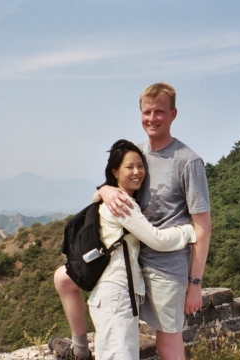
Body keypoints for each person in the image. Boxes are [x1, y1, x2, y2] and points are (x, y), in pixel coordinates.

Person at [50, 82, 211, 360]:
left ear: (173, 114)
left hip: (166, 268)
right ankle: (79, 348)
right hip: (132, 265)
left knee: (167, 345)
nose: (152, 118)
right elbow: (110, 186)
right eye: (147, 111)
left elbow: (202, 226)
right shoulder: (137, 153)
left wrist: (195, 284)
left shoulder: (187, 162)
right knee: (64, 278)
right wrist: (104, 189)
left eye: (159, 111)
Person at [83, 139, 196, 359]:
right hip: (116, 294)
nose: (137, 172)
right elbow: (158, 240)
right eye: (129, 167)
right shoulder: (122, 203)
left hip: (110, 293)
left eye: (140, 166)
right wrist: (189, 232)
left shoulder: (113, 197)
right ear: (115, 171)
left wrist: (102, 190)